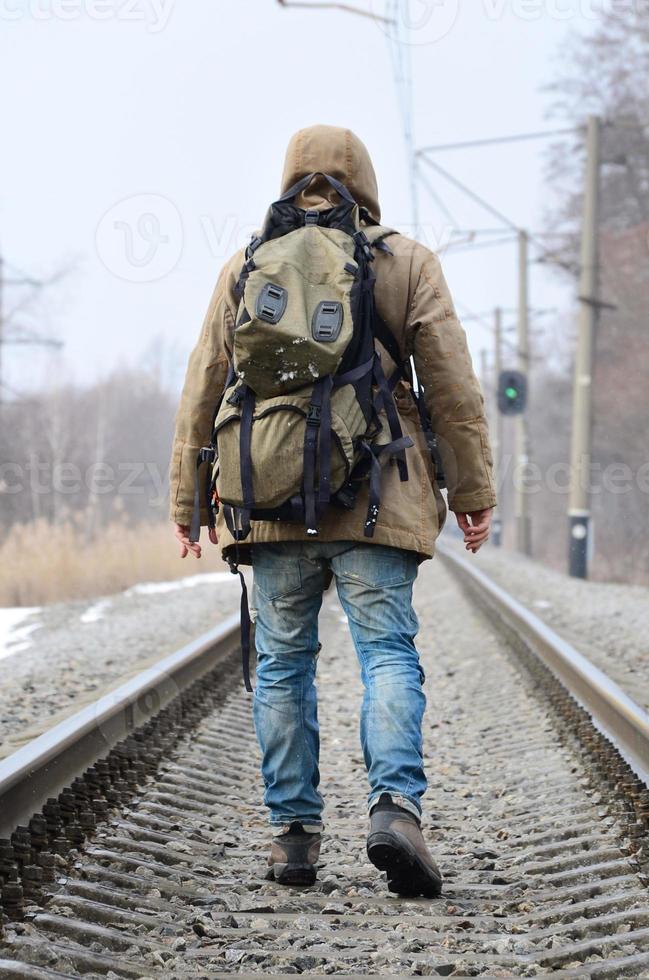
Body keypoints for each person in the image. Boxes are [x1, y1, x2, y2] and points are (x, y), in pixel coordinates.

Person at [170, 125, 496, 898]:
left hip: (271, 501)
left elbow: (203, 387)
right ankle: (394, 811)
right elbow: (452, 389)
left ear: (288, 180)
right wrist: (473, 493)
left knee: (282, 663)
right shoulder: (406, 260)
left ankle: (292, 840)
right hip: (378, 498)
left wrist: (189, 502)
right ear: (369, 180)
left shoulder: (247, 265)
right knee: (386, 652)